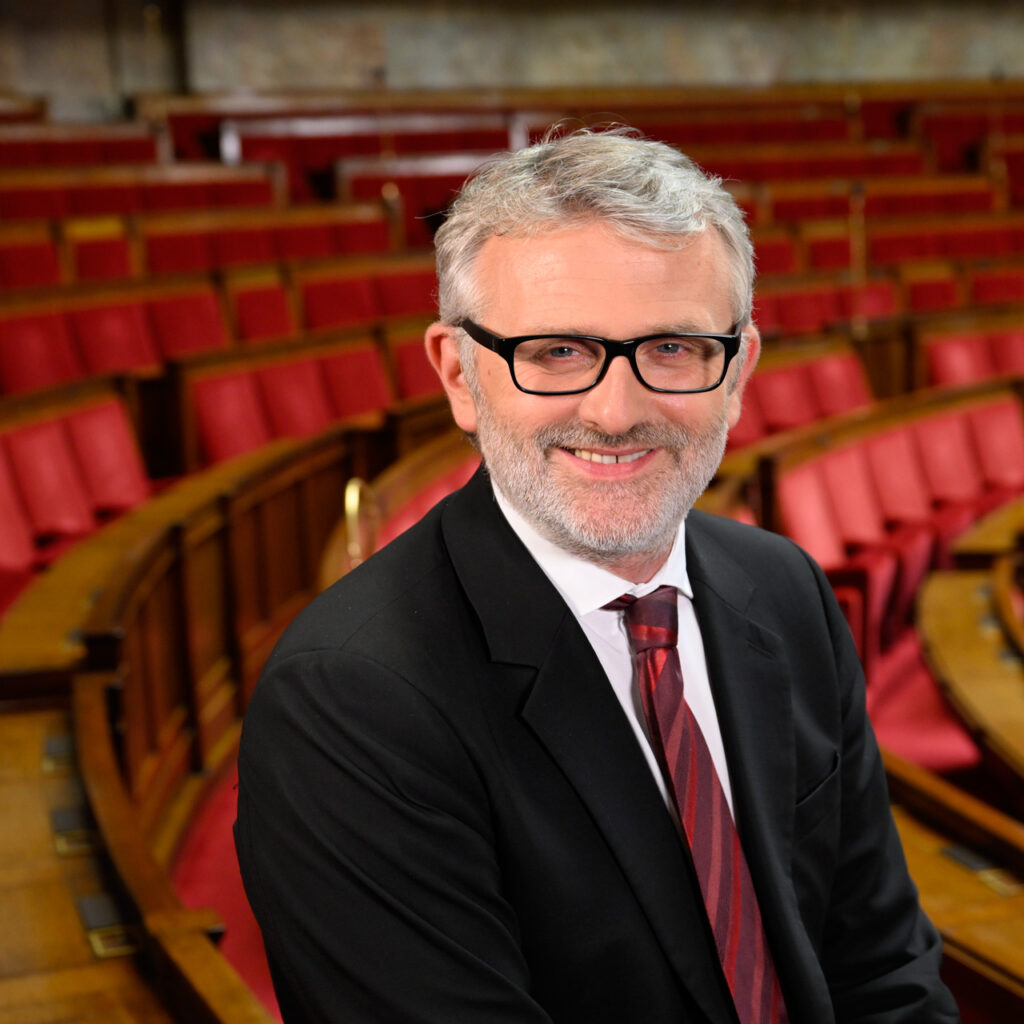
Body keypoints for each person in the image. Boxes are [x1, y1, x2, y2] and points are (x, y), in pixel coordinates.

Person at [235, 128, 960, 1023]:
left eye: (673, 350)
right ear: (459, 374)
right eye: (556, 353)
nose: (615, 412)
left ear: (738, 373)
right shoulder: (351, 701)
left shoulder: (784, 590)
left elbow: (883, 968)